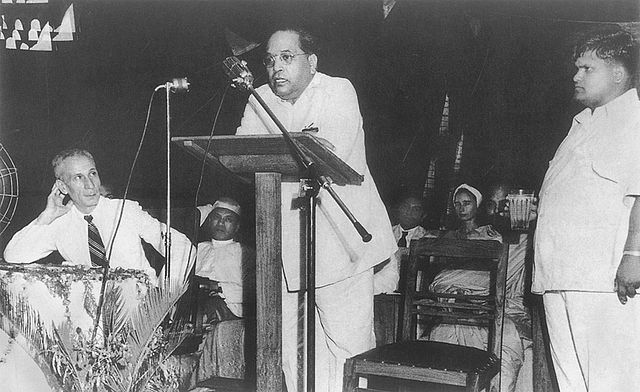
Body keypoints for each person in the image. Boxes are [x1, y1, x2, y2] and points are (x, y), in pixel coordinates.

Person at [235, 27, 397, 392]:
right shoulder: (258, 98)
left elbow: (330, 152)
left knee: (347, 347)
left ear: (312, 61)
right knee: (291, 351)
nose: (276, 67)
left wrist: (285, 144)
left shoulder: (338, 90)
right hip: (282, 245)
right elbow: (244, 152)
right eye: (270, 59)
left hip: (341, 243)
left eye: (287, 57)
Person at [533, 26, 640, 391]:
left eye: (587, 68)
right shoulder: (580, 125)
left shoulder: (635, 120)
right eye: (576, 67)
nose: (575, 76)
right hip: (560, 276)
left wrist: (634, 254)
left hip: (604, 282)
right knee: (572, 385)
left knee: (613, 383)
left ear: (618, 72)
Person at [3, 148, 194, 286]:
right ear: (62, 187)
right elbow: (13, 256)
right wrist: (46, 216)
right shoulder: (59, 223)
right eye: (78, 177)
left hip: (140, 314)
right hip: (91, 322)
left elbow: (183, 247)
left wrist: (162, 297)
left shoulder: (125, 210)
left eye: (92, 173)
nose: (90, 185)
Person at [424, 183, 528, 391]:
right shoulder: (446, 237)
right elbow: (440, 278)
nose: (462, 208)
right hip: (455, 301)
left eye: (467, 203)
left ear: (477, 206)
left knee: (506, 347)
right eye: (457, 204)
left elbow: (503, 270)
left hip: (488, 301)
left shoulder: (491, 236)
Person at [485, 181, 533, 392]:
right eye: (491, 204)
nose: (497, 210)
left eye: (503, 203)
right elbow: (443, 280)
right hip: (473, 314)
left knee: (505, 347)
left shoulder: (529, 243)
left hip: (511, 315)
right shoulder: (481, 236)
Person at [195, 197, 255, 320]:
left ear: (237, 226)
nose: (221, 223)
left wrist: (218, 288)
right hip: (195, 309)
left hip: (229, 315)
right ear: (210, 220)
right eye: (216, 217)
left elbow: (254, 292)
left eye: (228, 219)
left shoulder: (245, 253)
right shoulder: (198, 249)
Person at [374, 195, 427, 294]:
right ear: (398, 209)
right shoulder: (385, 233)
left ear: (423, 215)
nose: (409, 212)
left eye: (415, 209)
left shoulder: (427, 238)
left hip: (413, 291)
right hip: (383, 290)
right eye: (405, 207)